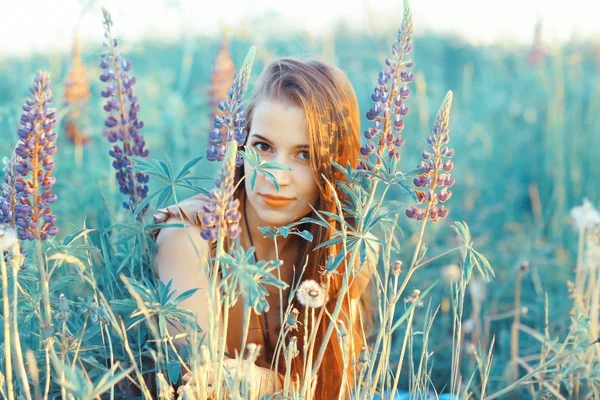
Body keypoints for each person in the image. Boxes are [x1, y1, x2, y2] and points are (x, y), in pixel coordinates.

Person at [153, 57, 378, 399]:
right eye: (263, 147)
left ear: (335, 164)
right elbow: (197, 382)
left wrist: (267, 384)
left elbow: (336, 385)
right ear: (241, 146)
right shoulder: (190, 235)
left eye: (304, 154)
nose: (275, 177)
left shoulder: (350, 248)